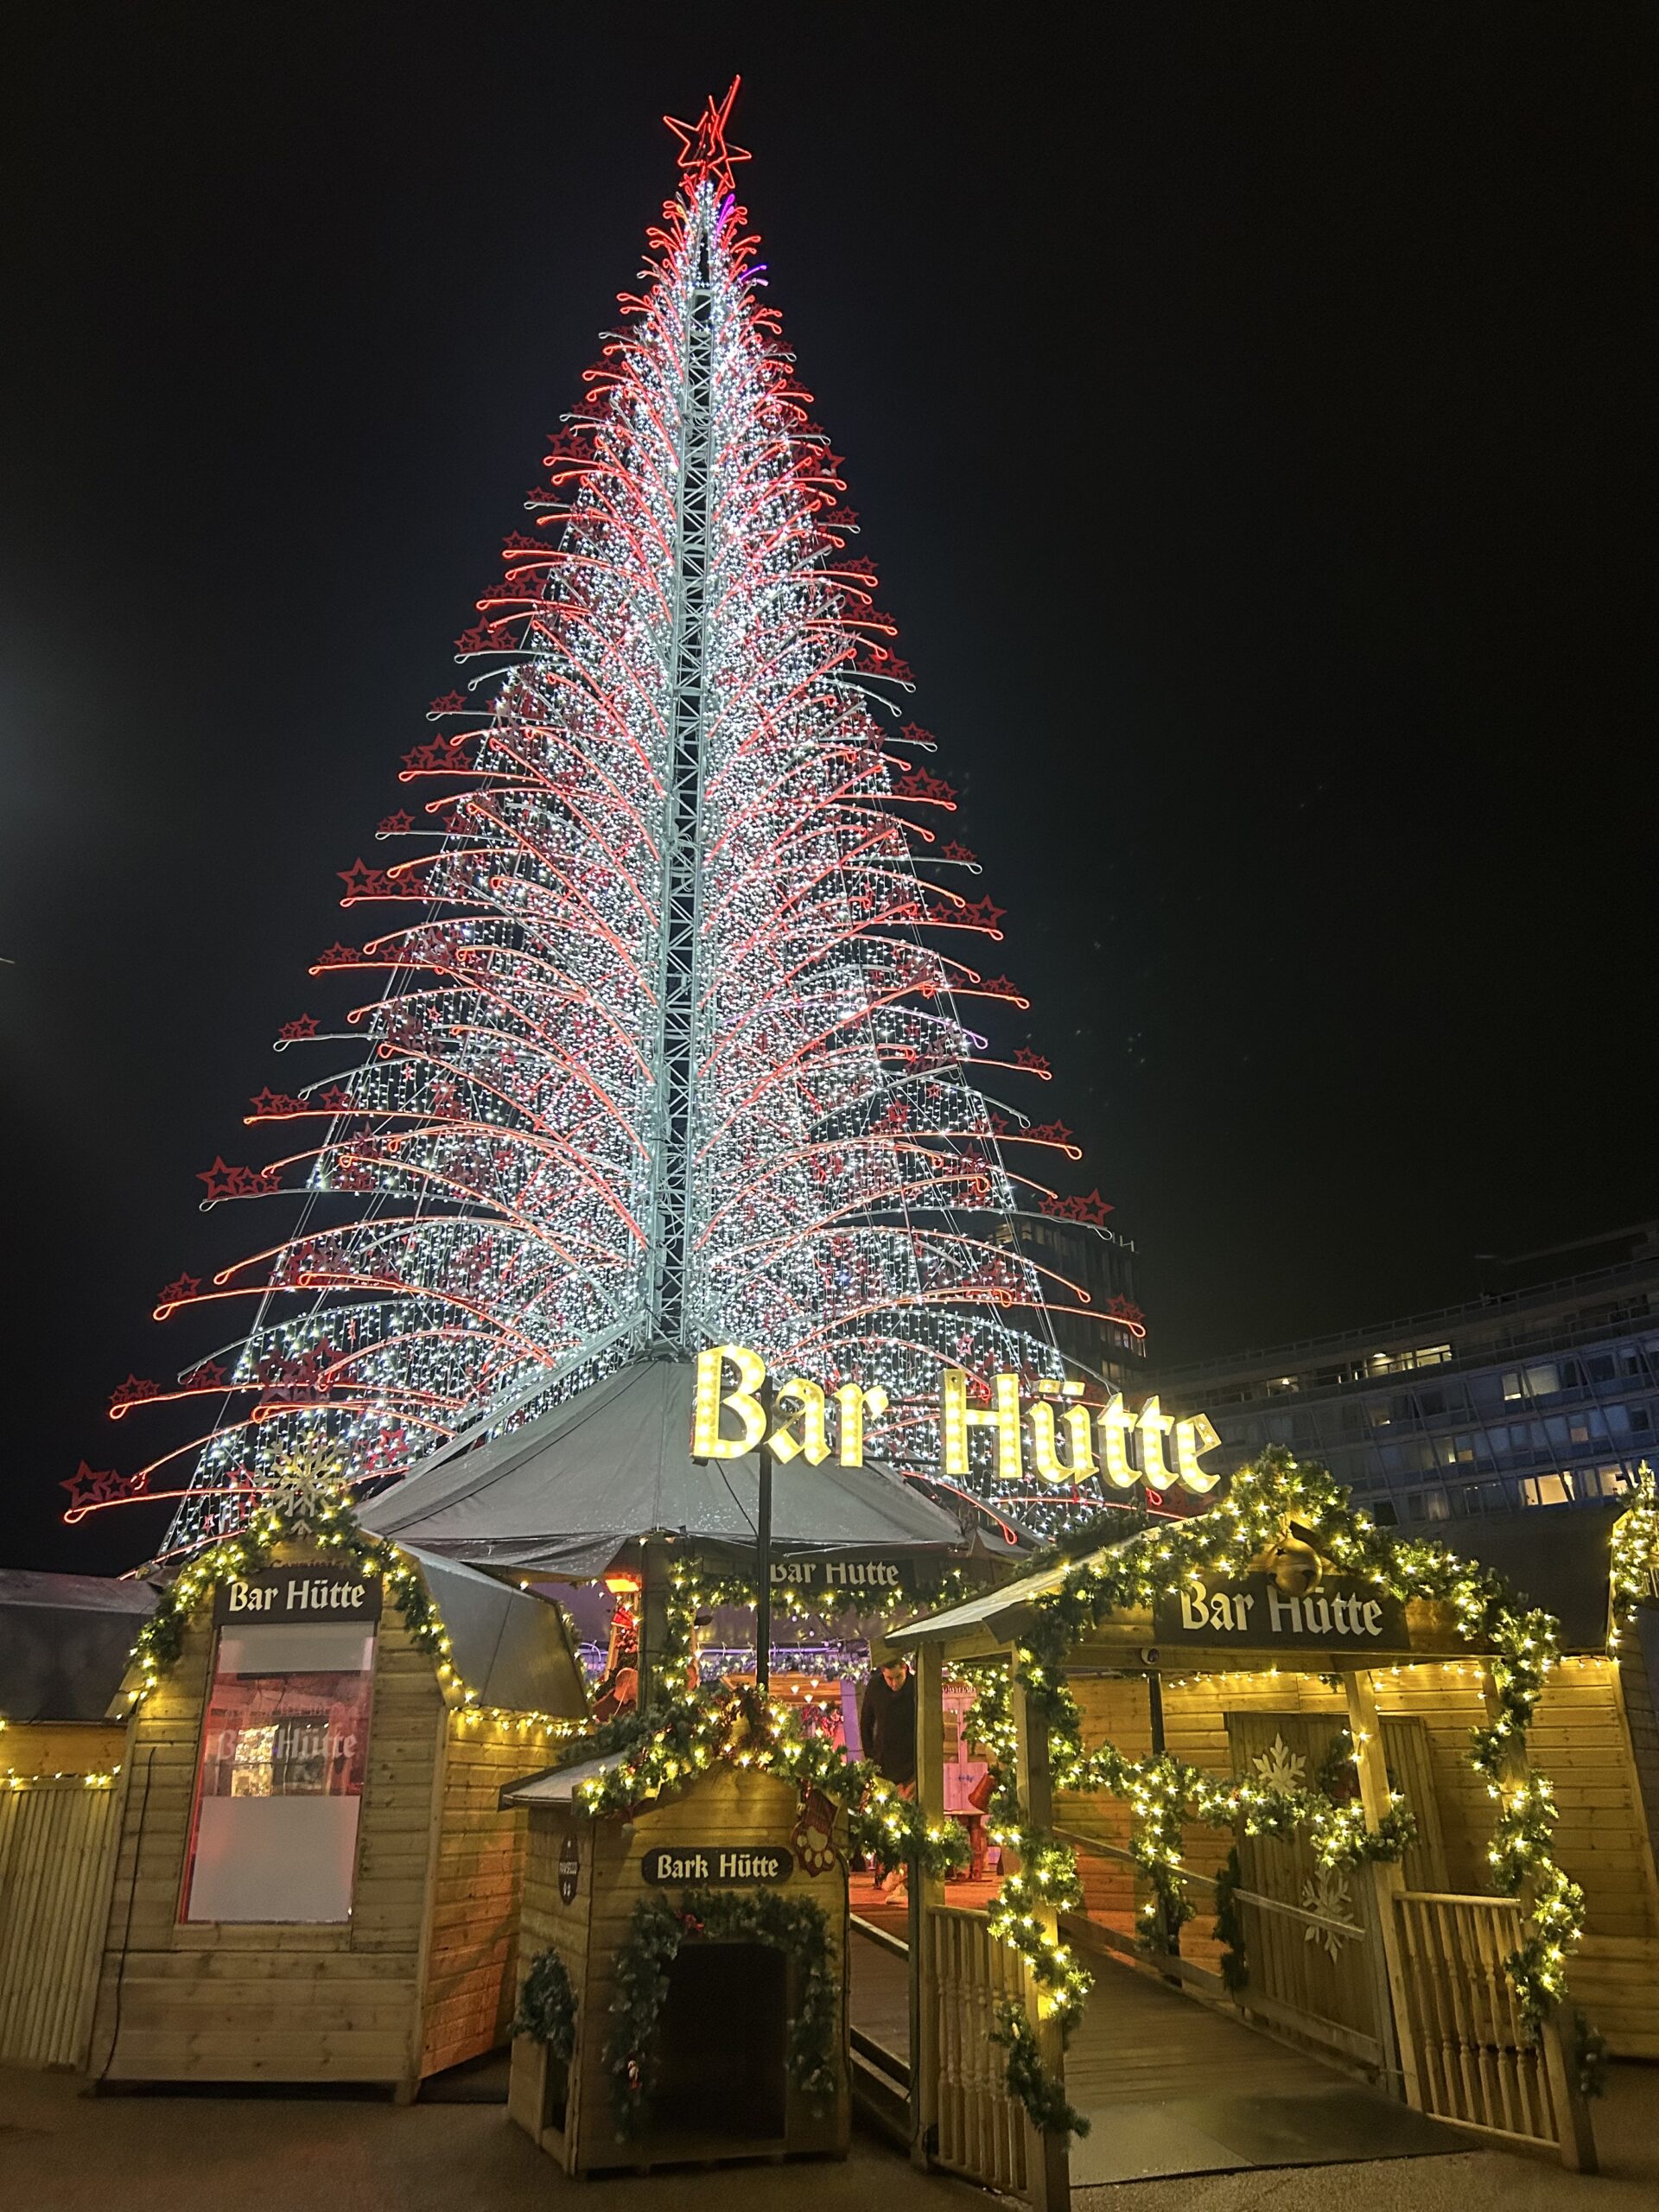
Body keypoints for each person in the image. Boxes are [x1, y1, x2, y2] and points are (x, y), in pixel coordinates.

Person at [860, 1656, 917, 1898]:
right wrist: (871, 1760)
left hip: (911, 1764)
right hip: (883, 1765)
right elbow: (865, 1724)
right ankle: (890, 1871)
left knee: (910, 1823)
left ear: (905, 1669)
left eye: (898, 1678)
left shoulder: (916, 1686)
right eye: (889, 1678)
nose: (894, 1683)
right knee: (886, 1824)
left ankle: (908, 1875)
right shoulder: (875, 1687)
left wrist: (916, 1773)